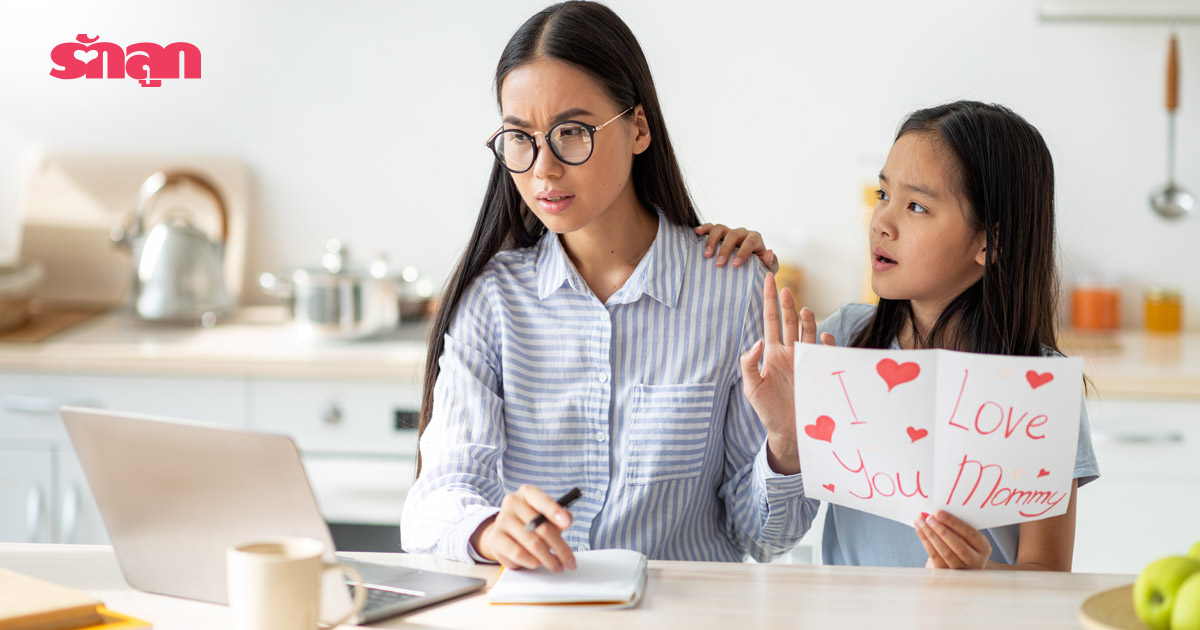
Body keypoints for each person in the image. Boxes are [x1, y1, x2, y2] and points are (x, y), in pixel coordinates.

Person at [401, 1, 813, 571]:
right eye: (520, 138)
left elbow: (764, 540)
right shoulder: (492, 300)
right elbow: (434, 503)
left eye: (571, 132)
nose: (543, 168)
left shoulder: (734, 290)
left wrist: (789, 446)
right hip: (536, 611)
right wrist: (491, 530)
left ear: (638, 127)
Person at [741, 101, 1100, 571]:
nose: (881, 223)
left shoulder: (1041, 387)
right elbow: (765, 545)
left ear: (990, 242)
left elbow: (1048, 576)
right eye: (882, 194)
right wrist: (786, 442)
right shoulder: (840, 345)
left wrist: (980, 575)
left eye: (915, 206)